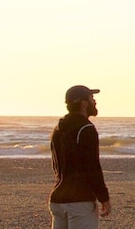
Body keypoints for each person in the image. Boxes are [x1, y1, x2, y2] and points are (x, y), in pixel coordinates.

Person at [49, 85, 111, 228]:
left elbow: (56, 165)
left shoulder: (58, 128)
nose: (94, 102)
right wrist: (104, 198)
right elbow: (92, 166)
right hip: (80, 200)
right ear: (83, 103)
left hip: (57, 198)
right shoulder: (86, 128)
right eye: (91, 98)